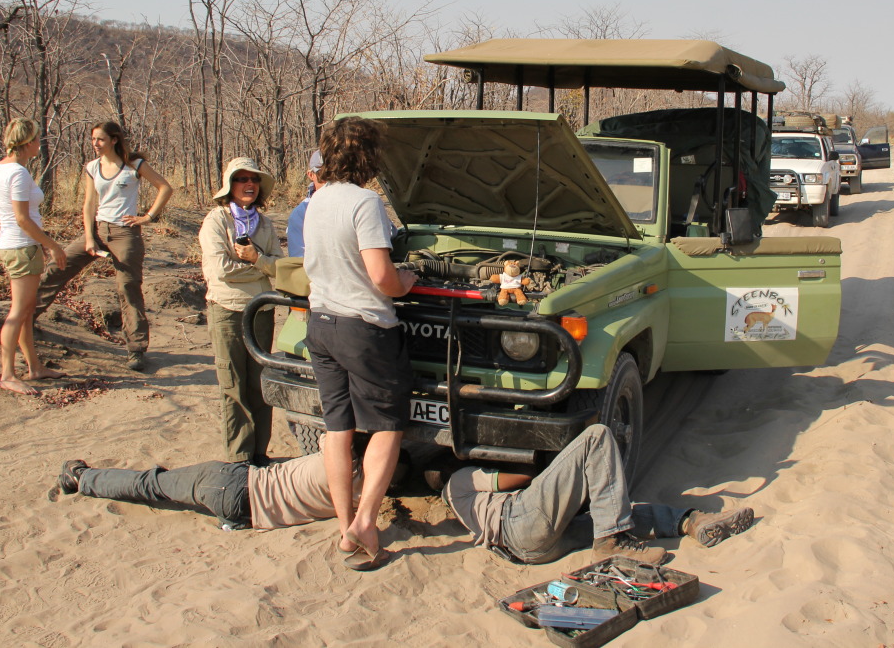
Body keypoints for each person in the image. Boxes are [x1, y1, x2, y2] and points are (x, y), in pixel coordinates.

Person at [302, 117, 417, 572]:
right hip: (363, 328)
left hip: (321, 322)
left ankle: (344, 525)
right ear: (369, 157)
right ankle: (366, 523)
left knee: (338, 427)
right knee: (387, 424)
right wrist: (407, 280)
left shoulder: (317, 199)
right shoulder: (365, 202)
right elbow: (382, 277)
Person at [441, 424, 757, 566]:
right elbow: (524, 477)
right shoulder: (457, 482)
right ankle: (611, 544)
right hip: (517, 521)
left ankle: (691, 522)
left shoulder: (465, 507)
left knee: (613, 513)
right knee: (596, 437)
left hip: (534, 549)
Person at [35, 122, 174, 371]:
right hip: (98, 230)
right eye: (93, 139)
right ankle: (24, 320)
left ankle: (136, 350)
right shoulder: (92, 167)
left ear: (114, 140)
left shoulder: (134, 165)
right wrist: (89, 237)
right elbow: (89, 204)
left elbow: (165, 187)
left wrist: (148, 217)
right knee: (58, 266)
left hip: (125, 233)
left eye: (100, 139)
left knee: (128, 287)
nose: (95, 144)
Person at [54, 432, 346, 532]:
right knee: (156, 485)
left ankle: (81, 477)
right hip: (247, 515)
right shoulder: (362, 493)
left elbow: (329, 433)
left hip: (233, 483)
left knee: (151, 484)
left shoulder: (334, 454)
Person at [199, 157, 283, 465]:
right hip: (227, 310)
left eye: (254, 179)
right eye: (241, 179)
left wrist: (256, 259)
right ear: (229, 185)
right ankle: (239, 459)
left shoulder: (265, 223)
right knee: (232, 385)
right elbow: (222, 270)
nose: (249, 184)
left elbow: (280, 266)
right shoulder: (215, 221)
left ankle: (259, 454)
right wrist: (261, 267)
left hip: (261, 310)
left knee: (259, 384)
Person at [0, 118, 69, 396]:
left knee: (26, 309)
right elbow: (22, 219)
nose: (39, 143)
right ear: (28, 142)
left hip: (17, 244)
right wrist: (53, 246)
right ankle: (8, 374)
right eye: (37, 138)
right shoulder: (17, 173)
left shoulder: (2, 168)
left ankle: (34, 367)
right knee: (19, 310)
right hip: (21, 245)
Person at [286, 149, 324, 259]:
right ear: (310, 175)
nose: (329, 180)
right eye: (323, 174)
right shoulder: (301, 213)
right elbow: (298, 258)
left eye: (334, 174)